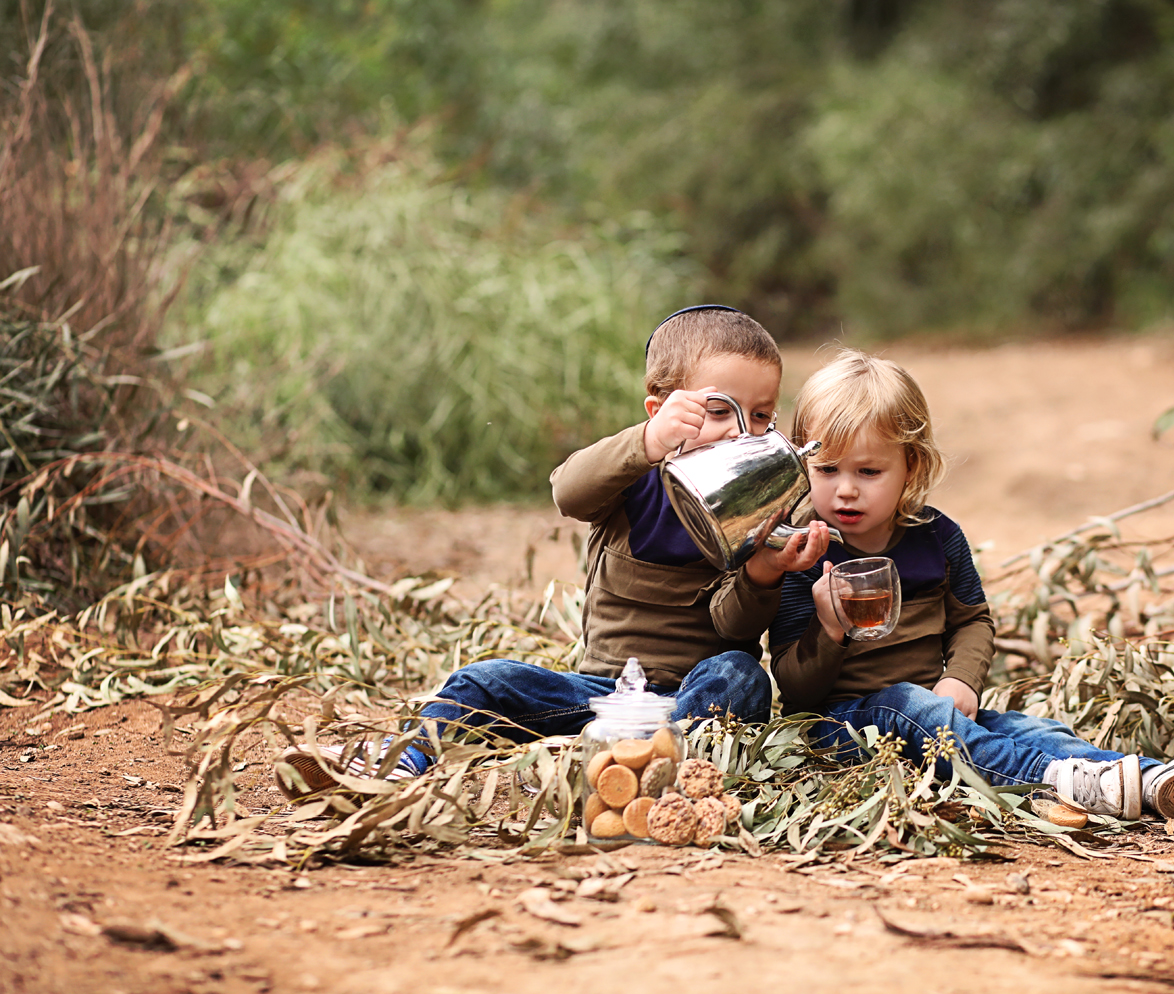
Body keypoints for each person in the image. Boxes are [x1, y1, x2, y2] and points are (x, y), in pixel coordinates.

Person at [275, 305, 827, 798]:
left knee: (740, 675)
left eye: (760, 416)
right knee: (482, 680)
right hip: (606, 696)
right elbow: (568, 491)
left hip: (693, 694)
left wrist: (763, 572)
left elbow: (733, 628)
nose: (740, 432)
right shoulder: (634, 481)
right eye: (718, 410)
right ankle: (401, 765)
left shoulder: (765, 507)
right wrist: (646, 443)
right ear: (660, 410)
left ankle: (642, 773)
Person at [759, 349, 1174, 820]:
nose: (845, 490)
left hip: (936, 718)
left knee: (1030, 731)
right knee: (906, 704)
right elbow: (796, 687)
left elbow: (972, 621)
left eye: (869, 472)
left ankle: (1155, 778)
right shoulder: (804, 553)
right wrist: (828, 630)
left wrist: (963, 680)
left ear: (910, 467)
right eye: (827, 469)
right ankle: (1061, 782)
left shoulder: (938, 538)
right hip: (845, 731)